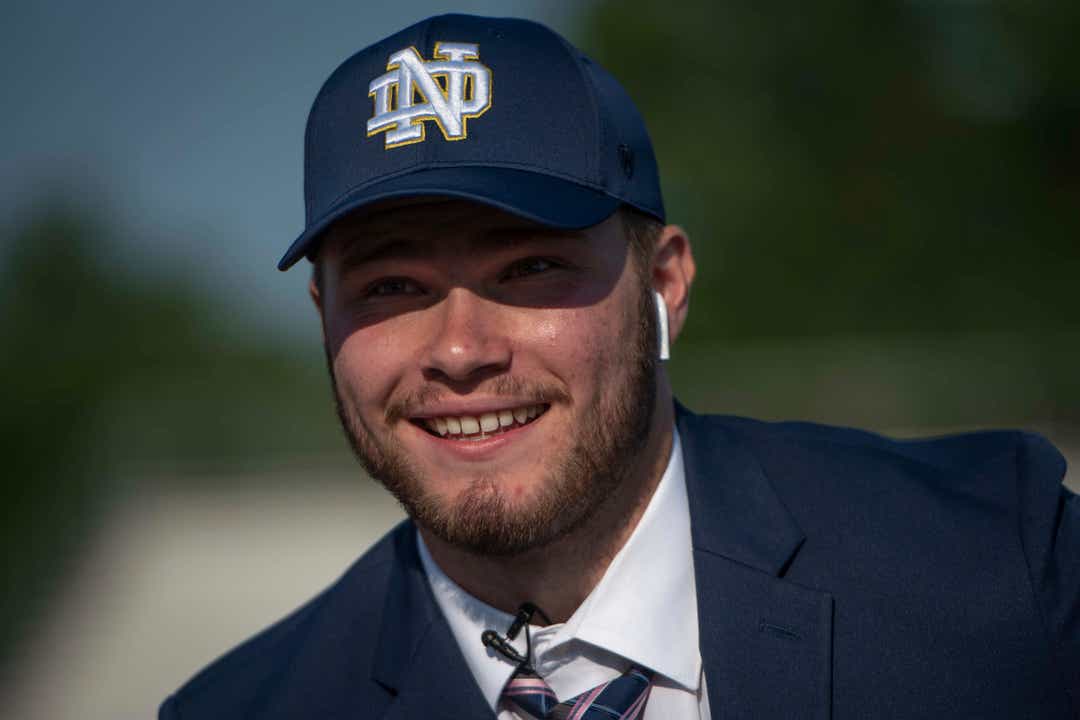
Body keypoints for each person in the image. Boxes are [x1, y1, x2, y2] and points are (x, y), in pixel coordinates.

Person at [160, 13, 1079, 720]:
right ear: (325, 320)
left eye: (530, 267)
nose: (460, 350)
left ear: (665, 285)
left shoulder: (1002, 565)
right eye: (391, 286)